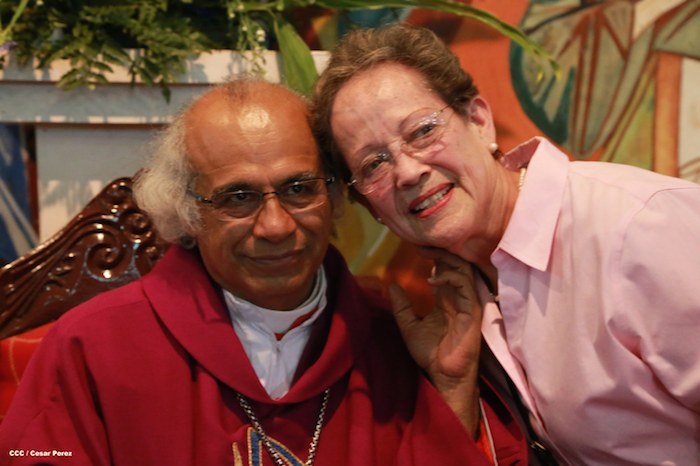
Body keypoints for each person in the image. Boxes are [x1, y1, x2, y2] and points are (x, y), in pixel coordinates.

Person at [0, 78, 529, 465]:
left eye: (299, 188)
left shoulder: (396, 339)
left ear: (333, 194)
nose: (275, 226)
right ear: (188, 210)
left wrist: (451, 386)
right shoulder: (90, 345)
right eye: (238, 197)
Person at [312, 23, 700, 466]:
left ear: (478, 121)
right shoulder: (462, 288)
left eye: (421, 132)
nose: (407, 171)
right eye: (373, 164)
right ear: (370, 206)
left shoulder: (638, 228)